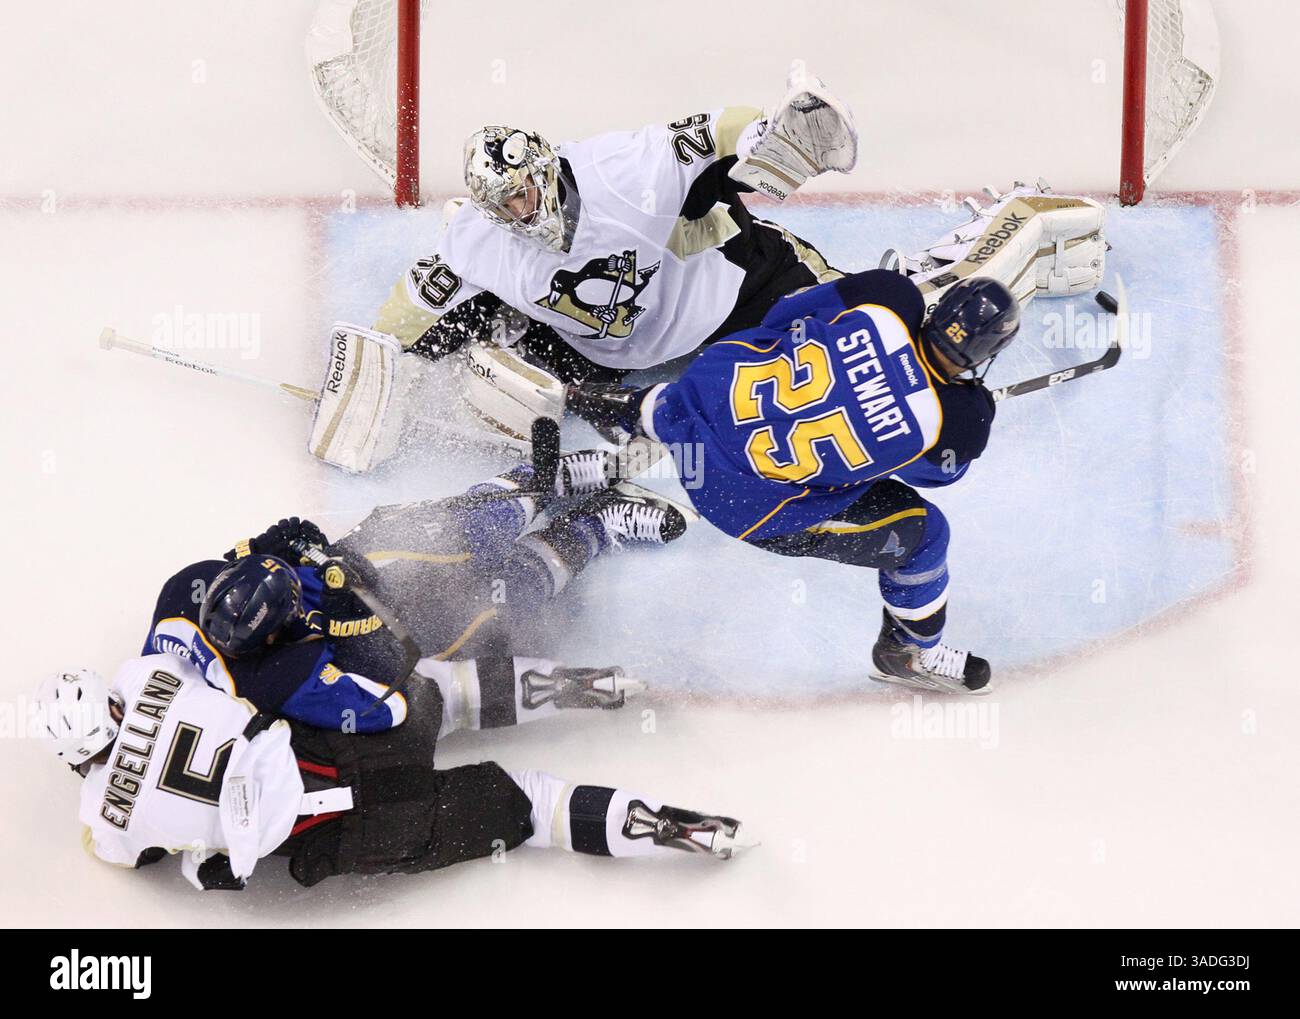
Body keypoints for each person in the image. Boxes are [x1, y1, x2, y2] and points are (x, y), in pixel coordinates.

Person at [565, 269, 1024, 694]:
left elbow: (782, 313)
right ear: (986, 355)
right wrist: (951, 406)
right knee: (926, 537)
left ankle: (629, 414)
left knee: (738, 374)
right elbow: (937, 476)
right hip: (733, 501)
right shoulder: (958, 422)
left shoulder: (886, 296)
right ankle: (907, 653)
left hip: (692, 400)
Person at [34, 658, 744, 891]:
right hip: (345, 742)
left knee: (529, 805)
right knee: (444, 690)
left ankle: (668, 827)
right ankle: (591, 682)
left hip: (354, 831)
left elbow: (139, 855)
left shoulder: (104, 820)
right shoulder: (146, 674)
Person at [144, 455, 685, 732]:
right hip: (383, 631)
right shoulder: (282, 681)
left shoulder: (183, 594)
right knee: (491, 604)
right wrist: (350, 624)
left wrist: (272, 544)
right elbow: (386, 709)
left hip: (347, 566)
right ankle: (593, 527)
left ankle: (545, 477)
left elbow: (239, 556)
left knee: (452, 528)